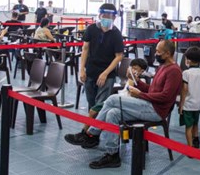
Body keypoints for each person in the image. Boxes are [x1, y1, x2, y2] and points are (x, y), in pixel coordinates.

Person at [65, 40, 182, 168]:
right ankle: (112, 155)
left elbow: (166, 96)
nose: (156, 54)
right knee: (112, 113)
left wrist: (140, 95)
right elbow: (152, 90)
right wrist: (137, 82)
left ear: (168, 53)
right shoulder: (162, 67)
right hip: (149, 104)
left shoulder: (174, 71)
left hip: (156, 110)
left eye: (159, 51)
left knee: (113, 99)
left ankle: (92, 134)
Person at [67, 59, 148, 139]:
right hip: (116, 101)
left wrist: (131, 79)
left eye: (136, 69)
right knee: (93, 110)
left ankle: (88, 134)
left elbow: (132, 93)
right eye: (132, 68)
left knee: (94, 112)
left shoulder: (141, 81)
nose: (133, 70)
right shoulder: (131, 78)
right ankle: (86, 133)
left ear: (142, 71)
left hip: (123, 104)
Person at [79, 3, 124, 110]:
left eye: (109, 16)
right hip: (90, 71)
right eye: (104, 15)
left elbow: (119, 56)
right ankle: (92, 125)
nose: (106, 18)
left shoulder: (116, 34)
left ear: (114, 17)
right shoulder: (91, 29)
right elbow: (85, 49)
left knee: (100, 106)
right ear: (99, 16)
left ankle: (93, 127)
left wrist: (105, 74)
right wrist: (81, 69)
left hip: (107, 74)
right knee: (91, 103)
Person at [179, 47, 200, 149]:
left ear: (188, 60)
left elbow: (184, 90)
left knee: (188, 127)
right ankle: (196, 139)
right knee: (195, 123)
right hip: (198, 104)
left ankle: (190, 147)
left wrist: (181, 105)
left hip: (188, 105)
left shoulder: (186, 73)